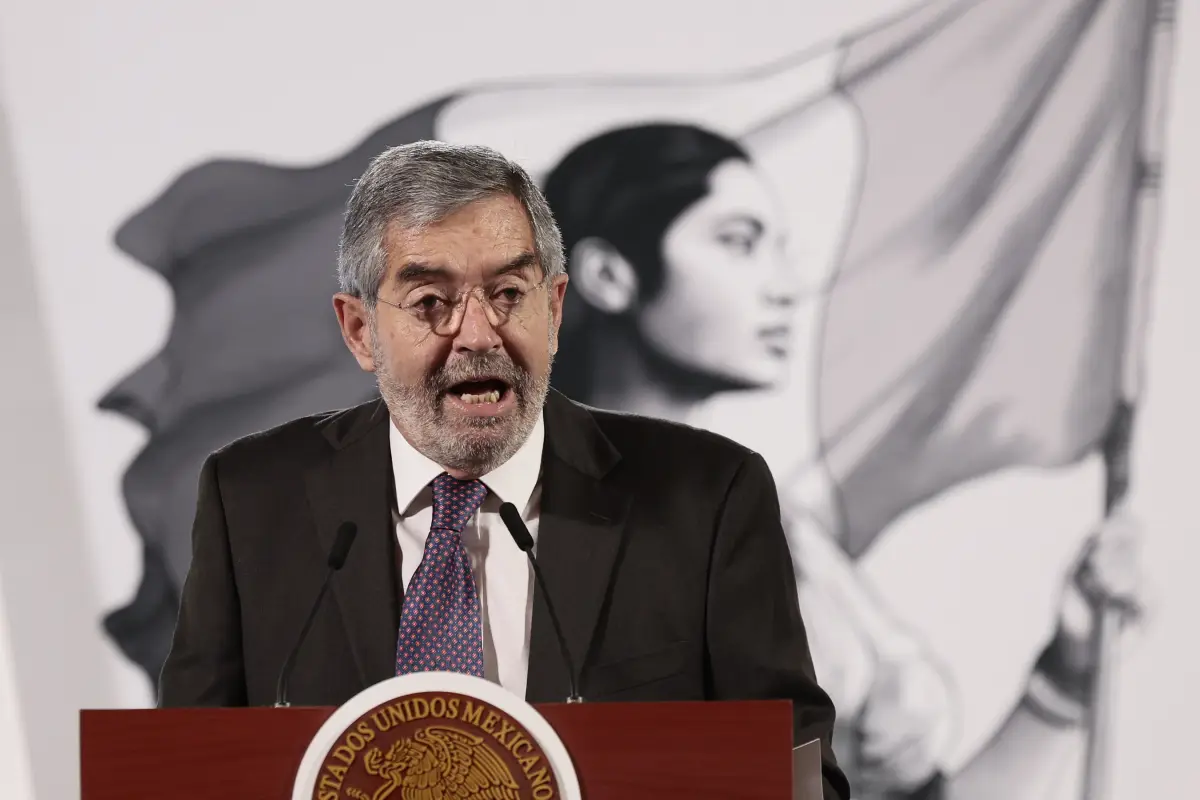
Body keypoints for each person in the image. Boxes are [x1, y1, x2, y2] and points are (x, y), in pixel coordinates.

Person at [157, 140, 852, 799]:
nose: (480, 334)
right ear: (360, 331)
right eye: (432, 303)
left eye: (509, 295)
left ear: (554, 310)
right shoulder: (254, 501)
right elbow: (183, 775)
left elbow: (798, 774)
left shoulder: (706, 497)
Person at [542, 123, 1143, 800]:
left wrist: (1062, 680)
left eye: (781, 248)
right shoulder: (507, 533)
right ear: (606, 274)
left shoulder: (777, 530)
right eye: (739, 242)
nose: (787, 285)